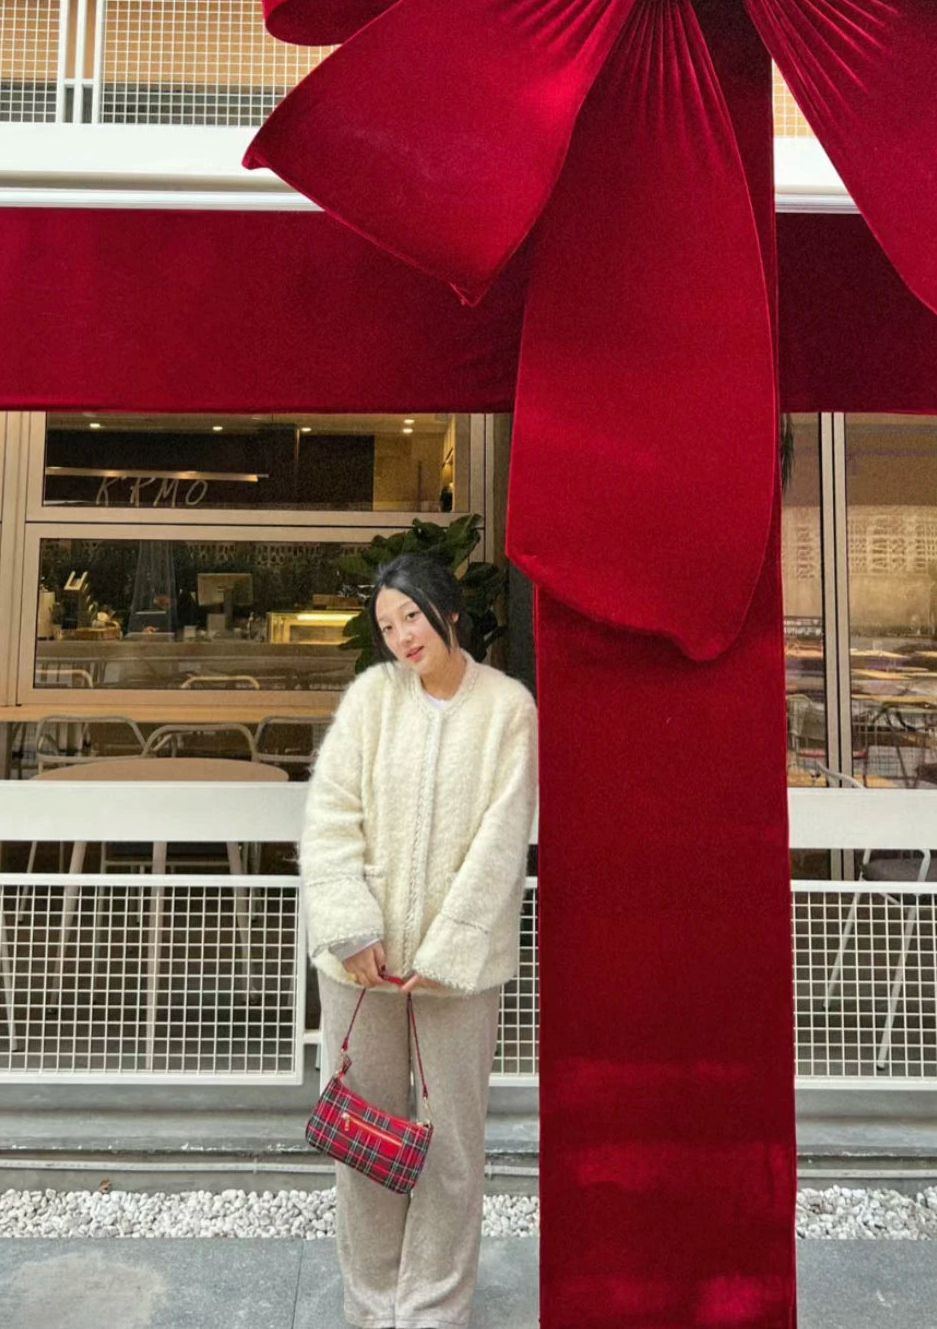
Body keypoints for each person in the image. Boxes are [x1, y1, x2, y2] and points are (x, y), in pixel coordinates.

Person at [301, 553, 538, 1329]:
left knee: (450, 1141)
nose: (401, 635)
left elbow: (503, 839)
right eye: (386, 624)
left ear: (448, 612)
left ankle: (432, 1308)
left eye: (411, 616)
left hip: (454, 973)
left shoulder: (507, 707)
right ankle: (371, 1306)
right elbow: (332, 815)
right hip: (358, 965)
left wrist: (448, 951)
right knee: (364, 1140)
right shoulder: (372, 698)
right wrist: (349, 927)